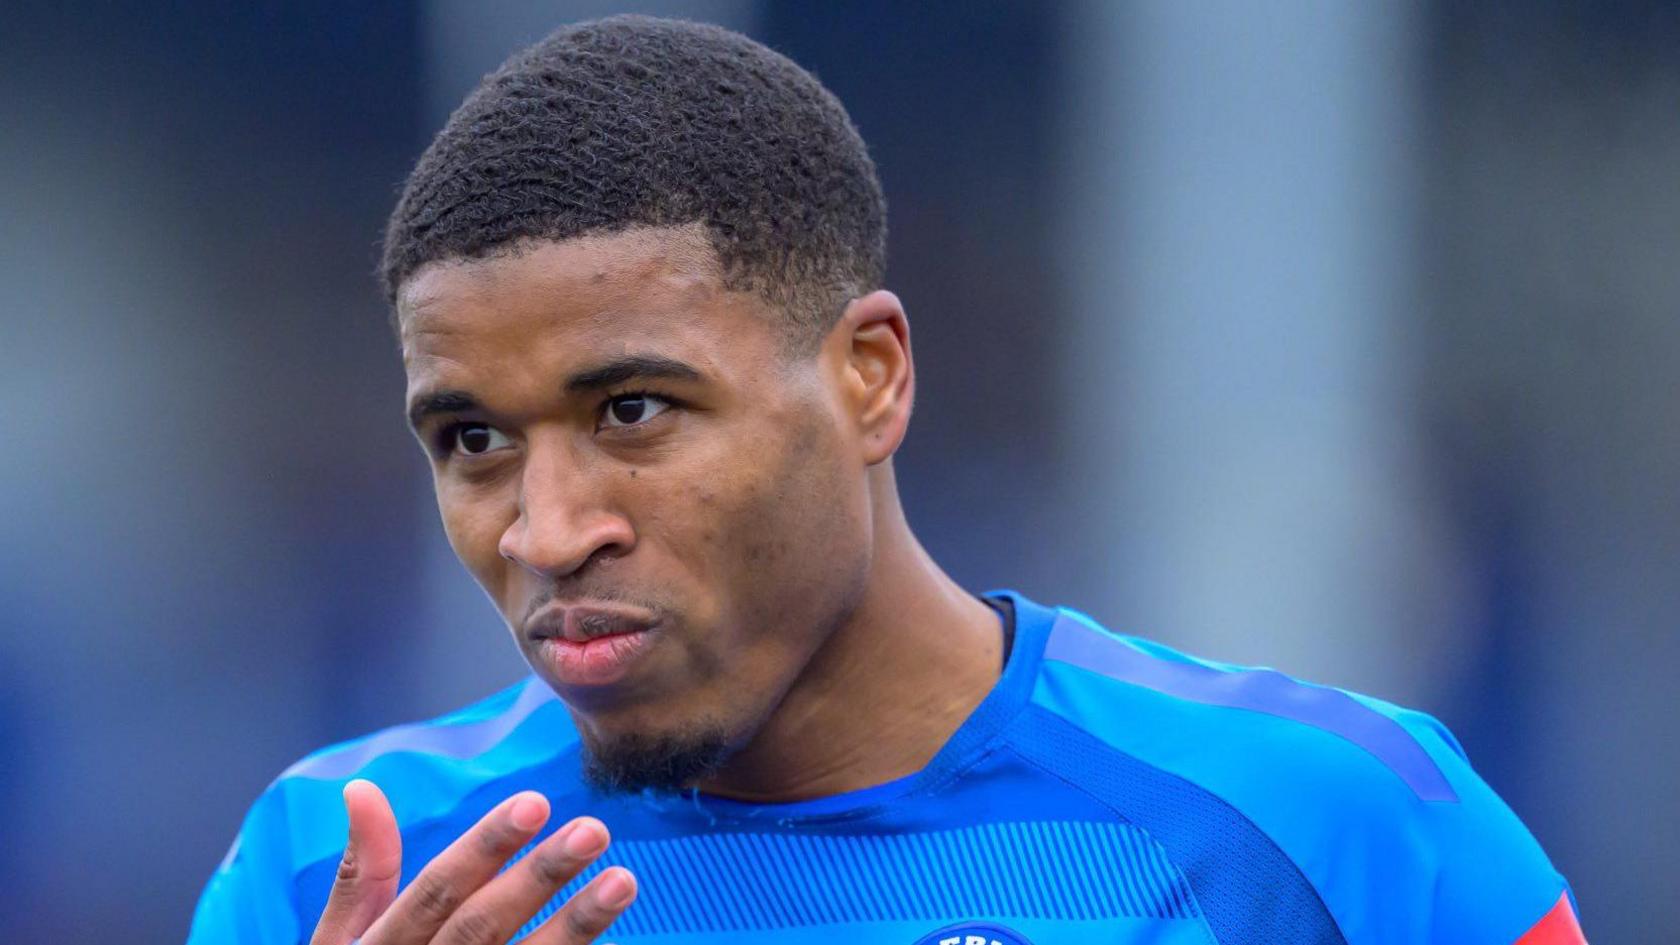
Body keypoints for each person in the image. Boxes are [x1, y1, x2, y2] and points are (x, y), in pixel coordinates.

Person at [188, 15, 1585, 945]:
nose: (548, 529)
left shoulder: (1337, 827)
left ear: (869, 375)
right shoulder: (341, 870)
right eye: (473, 442)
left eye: (633, 409)